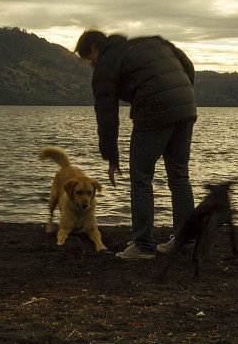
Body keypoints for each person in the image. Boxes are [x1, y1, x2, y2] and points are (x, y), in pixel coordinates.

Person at [75, 29, 197, 259]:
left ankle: (143, 246)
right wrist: (179, 96)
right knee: (180, 177)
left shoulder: (105, 64)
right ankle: (186, 241)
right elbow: (187, 67)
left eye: (88, 59)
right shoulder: (154, 41)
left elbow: (106, 114)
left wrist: (111, 157)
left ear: (93, 49)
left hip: (153, 109)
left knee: (141, 178)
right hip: (186, 106)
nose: (90, 64)